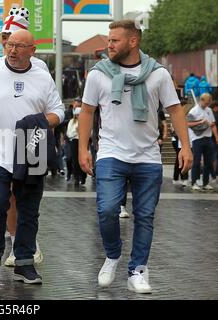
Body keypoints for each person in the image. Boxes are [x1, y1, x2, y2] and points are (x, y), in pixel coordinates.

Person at [78, 20, 193, 293]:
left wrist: (186, 146)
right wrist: (83, 148)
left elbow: (176, 110)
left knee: (144, 216)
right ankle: (113, 254)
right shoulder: (99, 74)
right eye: (109, 39)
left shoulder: (158, 74)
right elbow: (86, 111)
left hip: (148, 157)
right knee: (107, 210)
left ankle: (138, 270)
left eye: (115, 40)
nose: (109, 45)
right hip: (110, 153)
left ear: (133, 41)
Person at [0, 29, 64, 284]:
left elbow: (59, 111)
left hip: (31, 151)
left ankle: (24, 263)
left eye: (20, 46)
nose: (13, 50)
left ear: (33, 50)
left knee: (29, 209)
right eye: (9, 44)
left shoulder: (42, 77)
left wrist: (40, 120)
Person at [0, 7, 46, 267]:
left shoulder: (39, 67)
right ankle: (13, 243)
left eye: (13, 37)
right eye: (4, 38)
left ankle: (30, 246)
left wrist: (41, 137)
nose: (8, 44)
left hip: (30, 142)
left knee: (27, 197)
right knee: (5, 196)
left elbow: (47, 105)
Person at [187, 93, 218, 190]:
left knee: (208, 161)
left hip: (208, 138)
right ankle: (194, 182)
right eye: (205, 103)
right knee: (196, 161)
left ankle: (205, 183)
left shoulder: (209, 110)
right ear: (201, 100)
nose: (206, 105)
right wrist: (200, 122)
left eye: (208, 103)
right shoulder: (194, 110)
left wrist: (216, 137)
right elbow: (188, 123)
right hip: (197, 139)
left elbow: (212, 124)